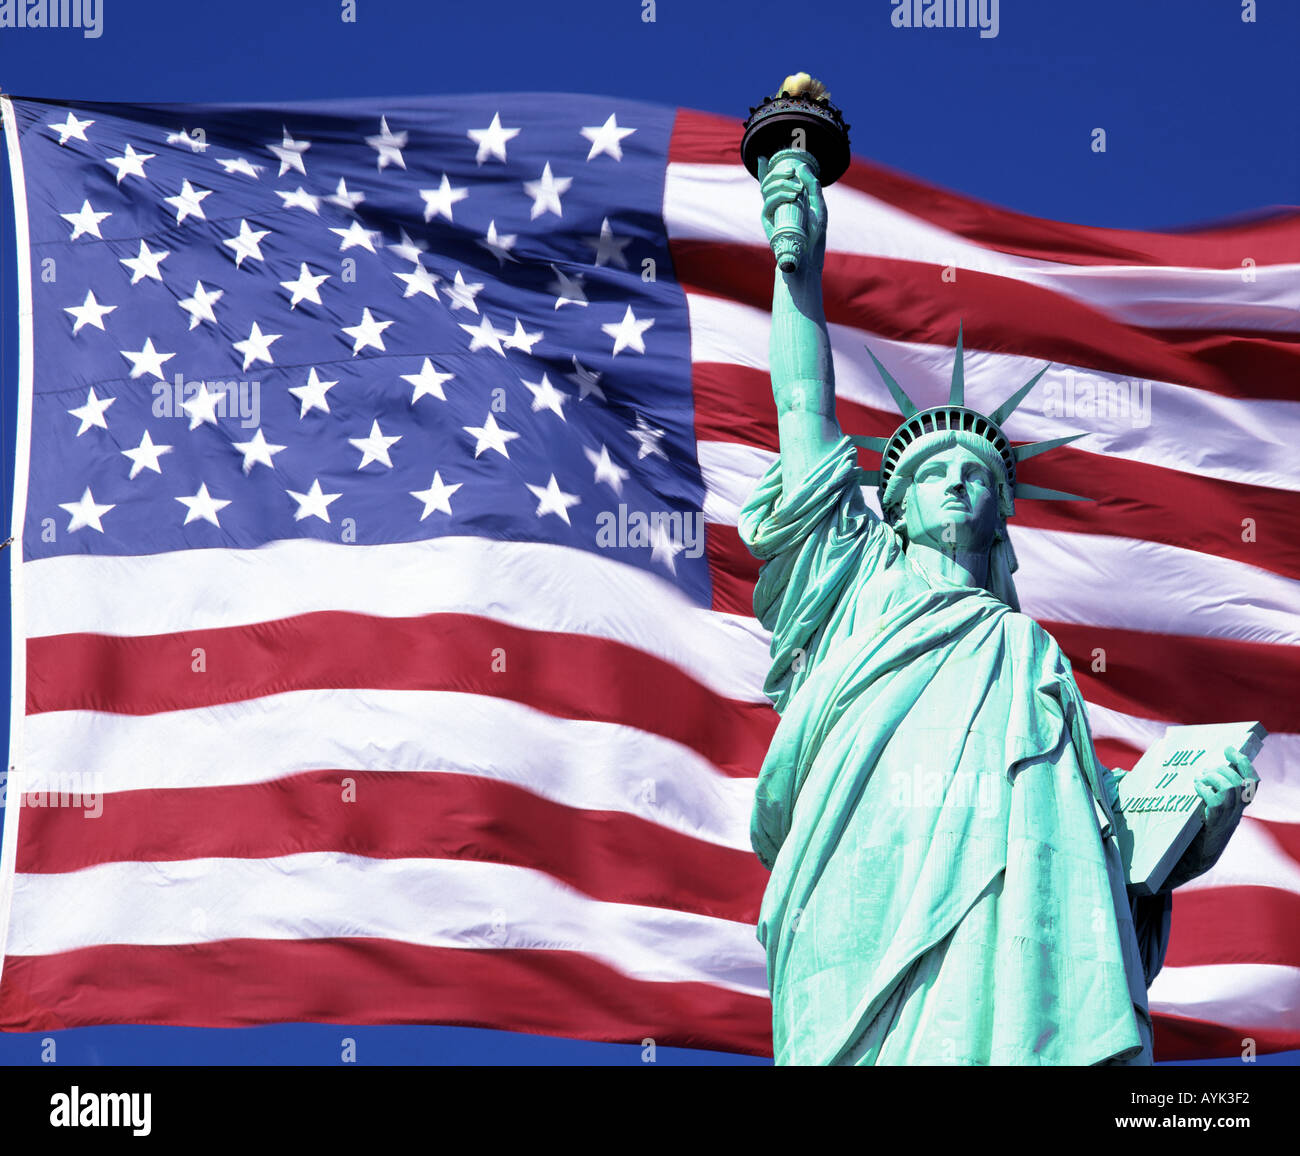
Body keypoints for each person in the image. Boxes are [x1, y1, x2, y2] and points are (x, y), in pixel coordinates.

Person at [739, 152, 1259, 1066]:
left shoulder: (1028, 653)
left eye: (975, 476)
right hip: (862, 875)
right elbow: (802, 406)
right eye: (931, 475)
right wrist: (800, 276)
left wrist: (1189, 836)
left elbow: (1098, 849)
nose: (955, 487)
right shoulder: (856, 587)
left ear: (1000, 513)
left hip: (1018, 926)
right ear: (890, 507)